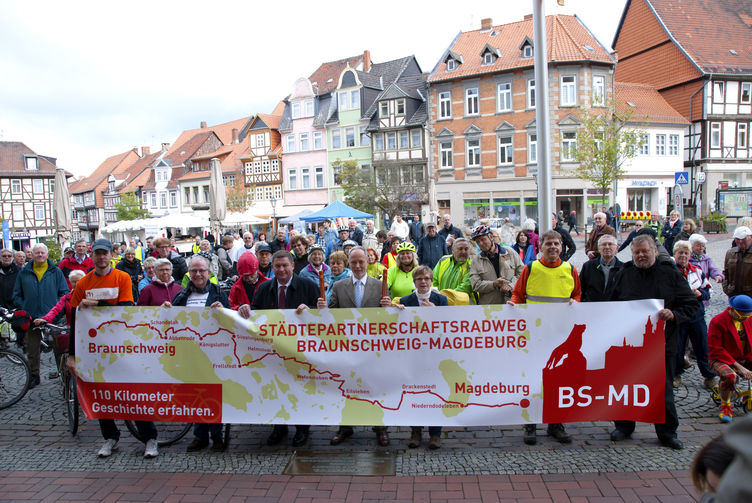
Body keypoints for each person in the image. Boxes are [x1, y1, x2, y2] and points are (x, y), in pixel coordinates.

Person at [67, 238, 157, 458]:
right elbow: (75, 320)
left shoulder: (122, 278)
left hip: (122, 345)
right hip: (95, 348)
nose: (101, 257)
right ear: (93, 255)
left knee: (133, 392)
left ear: (111, 255)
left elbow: (126, 308)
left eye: (105, 253)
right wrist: (71, 355)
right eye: (97, 253)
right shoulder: (83, 283)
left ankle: (149, 437)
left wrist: (98, 304)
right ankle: (110, 437)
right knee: (100, 392)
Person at [607, 234, 699, 450]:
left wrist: (674, 314)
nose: (640, 256)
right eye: (637, 252)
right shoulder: (624, 273)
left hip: (662, 344)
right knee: (626, 385)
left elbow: (690, 305)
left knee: (663, 389)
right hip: (628, 343)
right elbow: (610, 304)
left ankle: (667, 432)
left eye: (645, 252)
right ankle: (624, 425)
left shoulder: (671, 274)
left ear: (655, 252)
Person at [508, 230, 580, 445]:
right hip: (534, 335)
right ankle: (530, 424)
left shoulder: (570, 269)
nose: (553, 247)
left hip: (560, 336)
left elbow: (576, 294)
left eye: (556, 244)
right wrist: (513, 306)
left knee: (558, 381)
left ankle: (556, 425)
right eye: (548, 243)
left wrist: (576, 302)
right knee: (533, 380)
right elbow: (518, 295)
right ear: (541, 247)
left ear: (561, 247)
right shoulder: (531, 268)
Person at [318, 247, 392, 446]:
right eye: (353, 263)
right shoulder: (340, 286)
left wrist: (389, 307)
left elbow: (388, 319)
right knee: (346, 388)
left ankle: (380, 428)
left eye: (361, 262)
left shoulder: (380, 285)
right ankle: (345, 427)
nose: (358, 266)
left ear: (367, 262)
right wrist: (323, 310)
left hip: (373, 348)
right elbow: (332, 313)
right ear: (349, 264)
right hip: (347, 347)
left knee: (375, 388)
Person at [252, 251, 320, 447]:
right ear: (272, 268)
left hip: (300, 351)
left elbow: (322, 317)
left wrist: (311, 312)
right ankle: (279, 427)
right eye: (277, 266)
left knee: (300, 389)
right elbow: (254, 316)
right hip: (273, 351)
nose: (281, 270)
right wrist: (245, 309)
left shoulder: (309, 286)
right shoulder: (264, 288)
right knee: (276, 389)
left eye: (285, 266)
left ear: (292, 266)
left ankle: (302, 428)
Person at [166, 255, 229, 452]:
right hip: (190, 354)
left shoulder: (219, 293)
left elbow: (231, 322)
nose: (198, 274)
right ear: (189, 274)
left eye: (202, 270)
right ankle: (199, 436)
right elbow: (170, 323)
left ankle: (217, 436)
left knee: (213, 395)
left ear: (209, 273)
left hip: (213, 354)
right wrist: (164, 311)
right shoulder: (181, 296)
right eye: (194, 271)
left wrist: (224, 310)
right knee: (194, 394)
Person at [398, 265, 447, 449]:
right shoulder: (406, 300)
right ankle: (415, 431)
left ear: (431, 280)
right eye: (419, 279)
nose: (423, 282)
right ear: (414, 281)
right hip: (413, 356)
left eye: (426, 278)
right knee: (415, 392)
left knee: (436, 393)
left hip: (436, 356)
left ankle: (435, 434)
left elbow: (450, 327)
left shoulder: (441, 300)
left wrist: (436, 313)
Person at [12, 243, 68, 388]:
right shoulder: (24, 272)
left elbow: (64, 293)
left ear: (47, 255)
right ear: (32, 255)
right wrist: (24, 308)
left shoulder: (55, 271)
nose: (40, 255)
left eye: (43, 253)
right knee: (32, 348)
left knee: (58, 348)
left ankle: (62, 374)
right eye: (37, 253)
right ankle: (34, 375)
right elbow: (17, 294)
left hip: (51, 317)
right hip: (31, 317)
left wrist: (57, 310)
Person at [672, 240, 715, 390]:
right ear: (674, 254)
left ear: (690, 255)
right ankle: (676, 374)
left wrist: (700, 293)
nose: (683, 255)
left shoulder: (697, 270)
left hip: (696, 315)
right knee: (677, 347)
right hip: (679, 315)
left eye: (686, 253)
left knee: (702, 346)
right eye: (680, 253)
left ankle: (708, 375)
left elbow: (708, 292)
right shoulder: (670, 272)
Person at [708, 295, 752, 423]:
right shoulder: (718, 322)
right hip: (721, 358)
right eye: (742, 316)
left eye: (747, 316)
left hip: (744, 357)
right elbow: (716, 349)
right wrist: (739, 367)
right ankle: (725, 406)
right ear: (732, 310)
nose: (745, 319)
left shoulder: (748, 319)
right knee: (730, 375)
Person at [469, 225, 524, 306]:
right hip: (489, 308)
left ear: (491, 237)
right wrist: (494, 284)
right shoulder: (476, 261)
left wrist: (510, 285)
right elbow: (475, 285)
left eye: (483, 239)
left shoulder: (510, 252)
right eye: (477, 242)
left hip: (511, 304)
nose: (481, 243)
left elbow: (522, 274)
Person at [579, 234, 623, 303]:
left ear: (617, 248)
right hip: (591, 308)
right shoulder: (588, 266)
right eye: (604, 244)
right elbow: (580, 290)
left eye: (610, 244)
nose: (607, 247)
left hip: (614, 309)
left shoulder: (623, 269)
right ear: (598, 248)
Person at [433, 237, 474, 303]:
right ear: (452, 250)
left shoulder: (472, 266)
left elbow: (465, 287)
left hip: (462, 306)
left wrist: (444, 298)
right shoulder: (443, 260)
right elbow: (433, 280)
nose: (463, 252)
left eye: (466, 249)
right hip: (441, 302)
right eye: (460, 249)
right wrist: (436, 295)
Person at [723, 226, 752, 298]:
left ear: (750, 237)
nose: (740, 241)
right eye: (738, 239)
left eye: (743, 239)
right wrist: (727, 289)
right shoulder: (730, 253)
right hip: (734, 295)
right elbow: (725, 273)